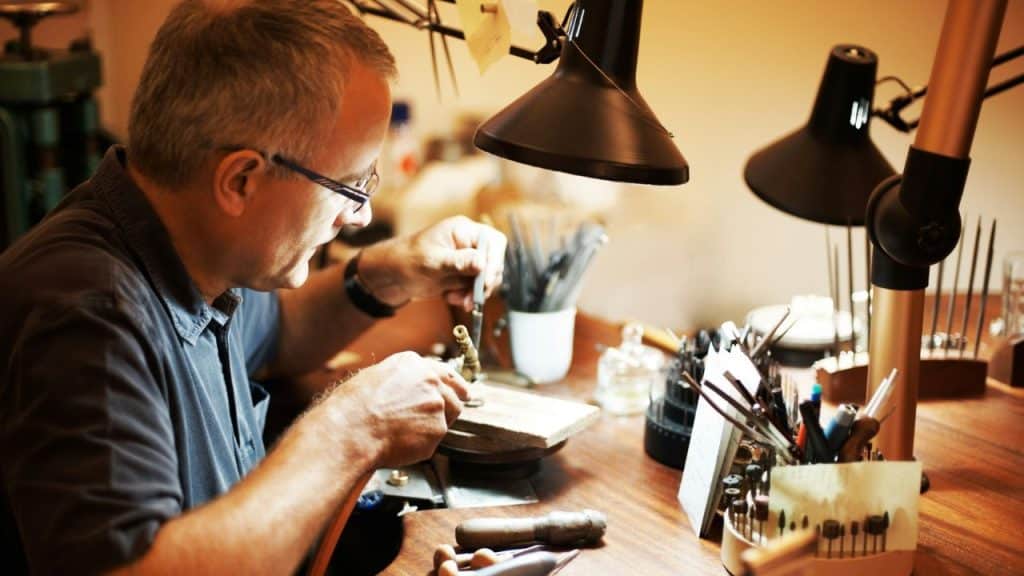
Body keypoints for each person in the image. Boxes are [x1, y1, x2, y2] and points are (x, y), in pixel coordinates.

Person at [0, 1, 506, 573]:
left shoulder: (198, 250)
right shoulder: (85, 316)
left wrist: (388, 271)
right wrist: (352, 428)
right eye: (350, 183)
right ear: (241, 179)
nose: (361, 216)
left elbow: (284, 330)